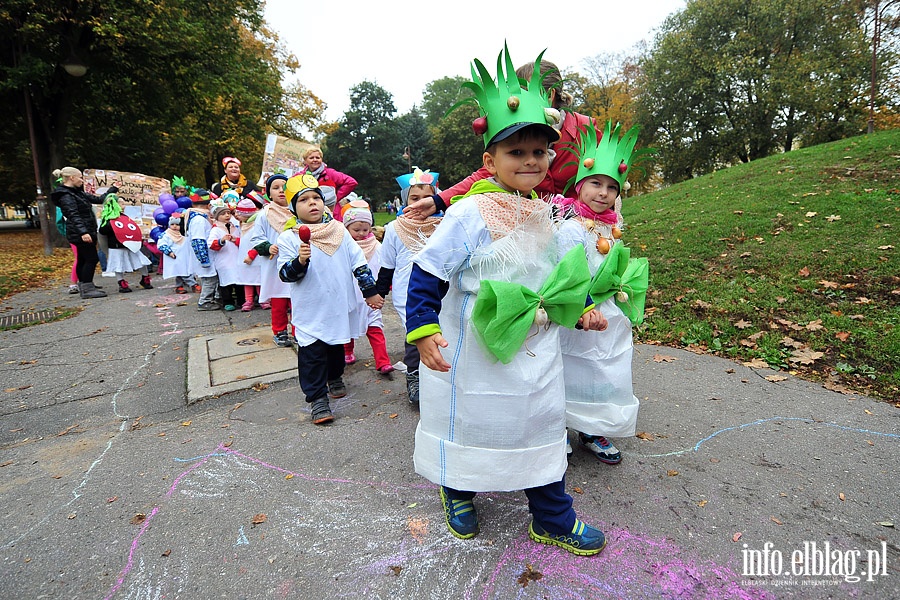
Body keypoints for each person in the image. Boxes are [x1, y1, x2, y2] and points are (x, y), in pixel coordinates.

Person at [405, 47, 609, 555]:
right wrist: (424, 328)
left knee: (540, 423)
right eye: (516, 153)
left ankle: (552, 516)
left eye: (539, 153)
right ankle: (458, 488)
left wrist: (581, 304)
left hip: (537, 345)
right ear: (489, 160)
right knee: (476, 419)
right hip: (478, 342)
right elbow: (430, 270)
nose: (530, 161)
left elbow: (565, 271)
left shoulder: (549, 211)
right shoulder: (470, 213)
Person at [402, 58, 604, 220]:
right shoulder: (514, 130)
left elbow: (606, 177)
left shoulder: (585, 129)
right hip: (530, 223)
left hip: (582, 225)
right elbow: (487, 171)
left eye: (523, 92)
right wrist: (438, 201)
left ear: (550, 95)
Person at [555, 121, 649, 465]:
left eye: (612, 186)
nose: (603, 192)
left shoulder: (612, 225)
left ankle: (593, 428)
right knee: (571, 369)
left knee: (603, 370)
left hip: (609, 311)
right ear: (580, 185)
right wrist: (584, 305)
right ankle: (561, 427)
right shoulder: (570, 228)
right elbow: (569, 271)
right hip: (579, 312)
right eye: (595, 183)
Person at [276, 174, 384, 425]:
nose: (312, 203)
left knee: (335, 348)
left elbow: (359, 262)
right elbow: (285, 275)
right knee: (312, 353)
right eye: (304, 199)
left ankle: (334, 377)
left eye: (317, 198)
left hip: (337, 306)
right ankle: (317, 399)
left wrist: (369, 291)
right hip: (310, 309)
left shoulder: (339, 231)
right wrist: (300, 261)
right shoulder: (289, 238)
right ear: (293, 207)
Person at [375, 167, 443, 404]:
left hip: (440, 290)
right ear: (405, 201)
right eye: (414, 198)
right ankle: (414, 376)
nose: (420, 203)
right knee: (416, 336)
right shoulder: (394, 228)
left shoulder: (445, 224)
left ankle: (441, 380)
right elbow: (387, 265)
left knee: (443, 333)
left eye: (427, 197)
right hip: (407, 292)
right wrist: (378, 292)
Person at [342, 200, 394, 375]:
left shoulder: (377, 247)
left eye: (365, 229)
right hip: (349, 294)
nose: (361, 234)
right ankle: (347, 351)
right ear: (347, 228)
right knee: (348, 325)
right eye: (356, 230)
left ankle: (383, 361)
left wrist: (386, 285)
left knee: (375, 327)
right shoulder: (343, 248)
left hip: (371, 295)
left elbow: (385, 265)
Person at [50, 167, 114, 299]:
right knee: (91, 258)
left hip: (82, 231)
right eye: (80, 177)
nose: (82, 180)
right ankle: (87, 288)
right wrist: (83, 232)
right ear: (71, 178)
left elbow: (99, 199)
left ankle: (84, 285)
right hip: (80, 232)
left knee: (83, 259)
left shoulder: (76, 193)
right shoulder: (66, 195)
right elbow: (73, 215)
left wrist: (113, 189)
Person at [246, 174, 295, 346]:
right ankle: (280, 330)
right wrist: (267, 247)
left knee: (298, 298)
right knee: (279, 300)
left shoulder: (296, 209)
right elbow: (256, 239)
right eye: (276, 187)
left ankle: (299, 330)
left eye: (285, 186)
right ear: (269, 193)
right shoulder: (264, 215)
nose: (281, 190)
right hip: (275, 264)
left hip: (296, 262)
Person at [98, 193, 153, 292]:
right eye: (121, 204)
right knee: (118, 265)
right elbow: (103, 231)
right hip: (116, 246)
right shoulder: (108, 219)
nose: (124, 206)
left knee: (141, 261)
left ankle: (145, 278)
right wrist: (111, 223)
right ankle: (121, 282)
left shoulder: (125, 217)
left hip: (130, 245)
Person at [298, 147, 358, 220]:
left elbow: (351, 182)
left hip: (331, 213)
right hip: (309, 213)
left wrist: (336, 197)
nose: (315, 160)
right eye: (311, 158)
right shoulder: (300, 176)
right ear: (305, 161)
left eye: (318, 157)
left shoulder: (330, 173)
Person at [185, 188, 219, 310]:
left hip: (206, 255)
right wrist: (204, 259)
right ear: (208, 205)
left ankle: (210, 298)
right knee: (209, 279)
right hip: (205, 257)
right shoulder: (199, 219)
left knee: (211, 279)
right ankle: (205, 301)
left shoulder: (199, 217)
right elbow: (198, 240)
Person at [207, 201, 240, 311]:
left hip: (236, 258)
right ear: (217, 216)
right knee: (226, 282)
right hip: (224, 260)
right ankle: (228, 301)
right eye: (223, 214)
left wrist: (236, 240)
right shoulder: (216, 230)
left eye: (228, 213)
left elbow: (242, 241)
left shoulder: (235, 227)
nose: (227, 215)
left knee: (239, 280)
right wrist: (221, 240)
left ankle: (241, 300)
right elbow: (211, 244)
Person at [233, 197, 262, 311]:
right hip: (244, 260)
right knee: (247, 281)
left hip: (254, 258)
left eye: (238, 213)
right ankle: (249, 300)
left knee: (258, 279)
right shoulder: (243, 225)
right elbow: (244, 241)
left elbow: (258, 242)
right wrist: (235, 240)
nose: (236, 215)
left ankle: (262, 299)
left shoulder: (255, 225)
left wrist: (251, 255)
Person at [157, 213, 198, 294]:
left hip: (185, 256)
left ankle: (179, 286)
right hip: (174, 256)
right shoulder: (166, 235)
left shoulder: (184, 234)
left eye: (177, 224)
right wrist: (169, 252)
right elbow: (161, 244)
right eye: (172, 224)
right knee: (181, 270)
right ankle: (193, 284)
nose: (175, 226)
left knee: (181, 271)